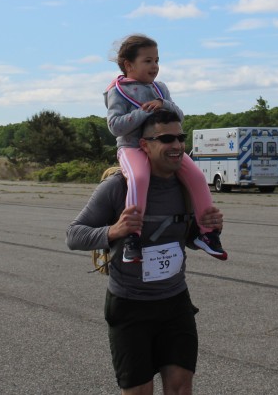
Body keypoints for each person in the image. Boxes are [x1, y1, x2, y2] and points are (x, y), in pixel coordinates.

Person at [67, 110, 225, 395]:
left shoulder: (187, 186)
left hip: (175, 303)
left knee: (181, 388)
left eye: (180, 138)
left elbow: (188, 238)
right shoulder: (118, 187)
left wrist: (208, 228)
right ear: (144, 145)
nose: (177, 145)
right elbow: (74, 235)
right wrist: (114, 231)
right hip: (130, 306)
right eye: (166, 139)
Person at [105, 34, 225, 264]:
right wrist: (144, 112)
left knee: (198, 176)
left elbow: (179, 116)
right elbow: (115, 127)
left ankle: (207, 233)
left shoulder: (160, 89)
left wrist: (164, 104)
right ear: (129, 65)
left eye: (157, 60)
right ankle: (132, 237)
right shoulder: (117, 90)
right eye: (148, 61)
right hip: (133, 147)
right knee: (139, 178)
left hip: (163, 146)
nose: (155, 66)